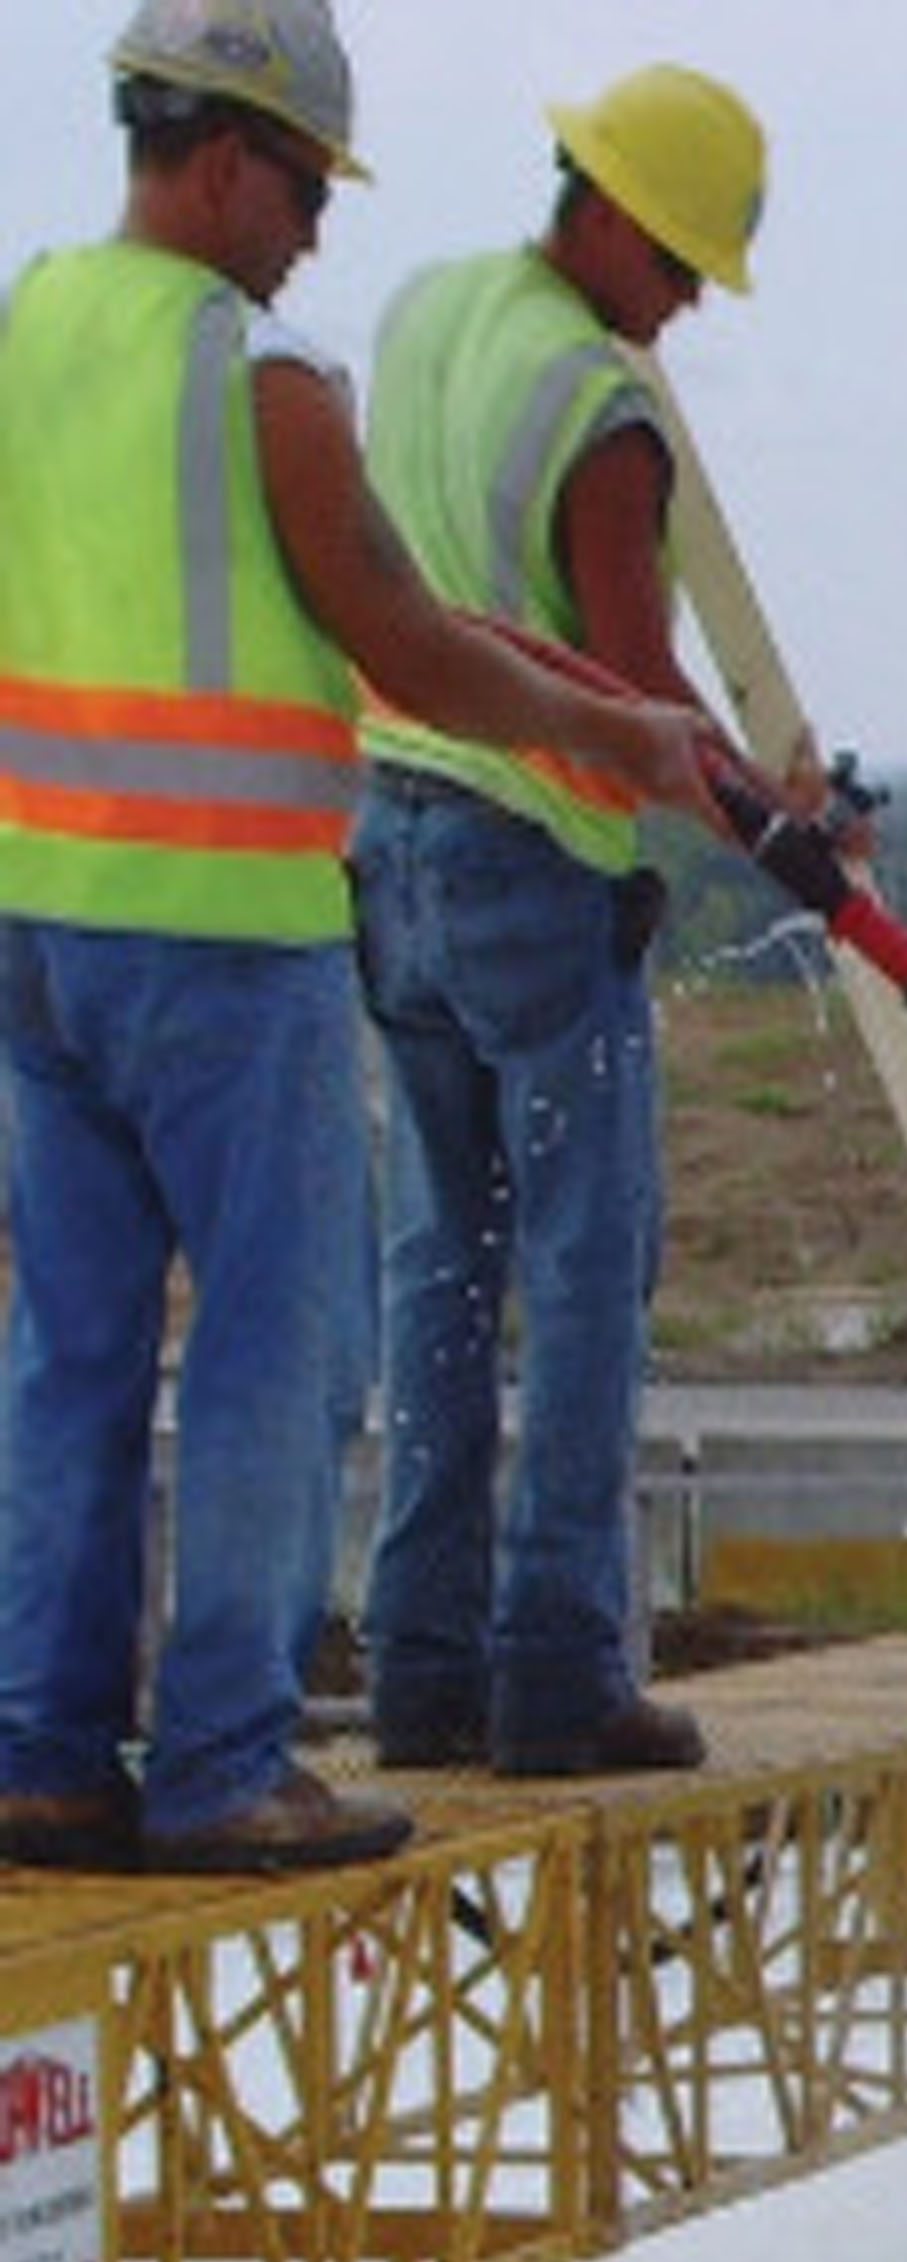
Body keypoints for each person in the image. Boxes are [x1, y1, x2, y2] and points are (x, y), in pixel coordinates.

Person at [0, 0, 721, 1874]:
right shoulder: (260, 374)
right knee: (276, 1351)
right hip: (227, 938)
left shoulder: (26, 326)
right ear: (230, 155)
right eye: (308, 183)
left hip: (40, 929)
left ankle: (42, 1756)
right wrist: (628, 735)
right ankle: (227, 1757)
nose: (318, 225)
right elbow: (403, 641)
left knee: (73, 1344)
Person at [352, 65, 776, 1779]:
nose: (678, 309)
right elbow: (631, 690)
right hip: (535, 865)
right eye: (675, 267)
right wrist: (782, 820)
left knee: (438, 1279)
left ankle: (422, 1668)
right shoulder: (602, 408)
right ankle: (556, 1671)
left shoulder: (427, 310)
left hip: (388, 842)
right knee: (587, 1275)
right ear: (603, 213)